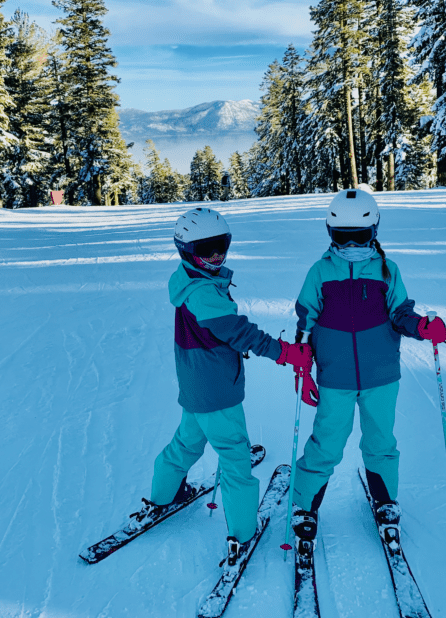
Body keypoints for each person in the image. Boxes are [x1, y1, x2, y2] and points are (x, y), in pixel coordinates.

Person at [130, 207, 314, 567]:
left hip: (195, 387)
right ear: (185, 249)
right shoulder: (204, 294)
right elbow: (240, 333)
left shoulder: (186, 281)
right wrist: (286, 353)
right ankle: (243, 532)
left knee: (185, 443)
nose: (216, 256)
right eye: (206, 249)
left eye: (222, 245)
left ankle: (162, 495)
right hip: (217, 393)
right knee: (234, 457)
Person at [289, 188, 446, 549]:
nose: (350, 245)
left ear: (374, 230)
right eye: (342, 237)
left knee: (380, 440)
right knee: (326, 443)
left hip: (380, 376)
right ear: (330, 233)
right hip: (335, 376)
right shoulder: (320, 272)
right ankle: (305, 506)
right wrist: (303, 369)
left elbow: (401, 314)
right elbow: (304, 323)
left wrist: (422, 327)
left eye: (359, 236)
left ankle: (386, 500)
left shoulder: (387, 270)